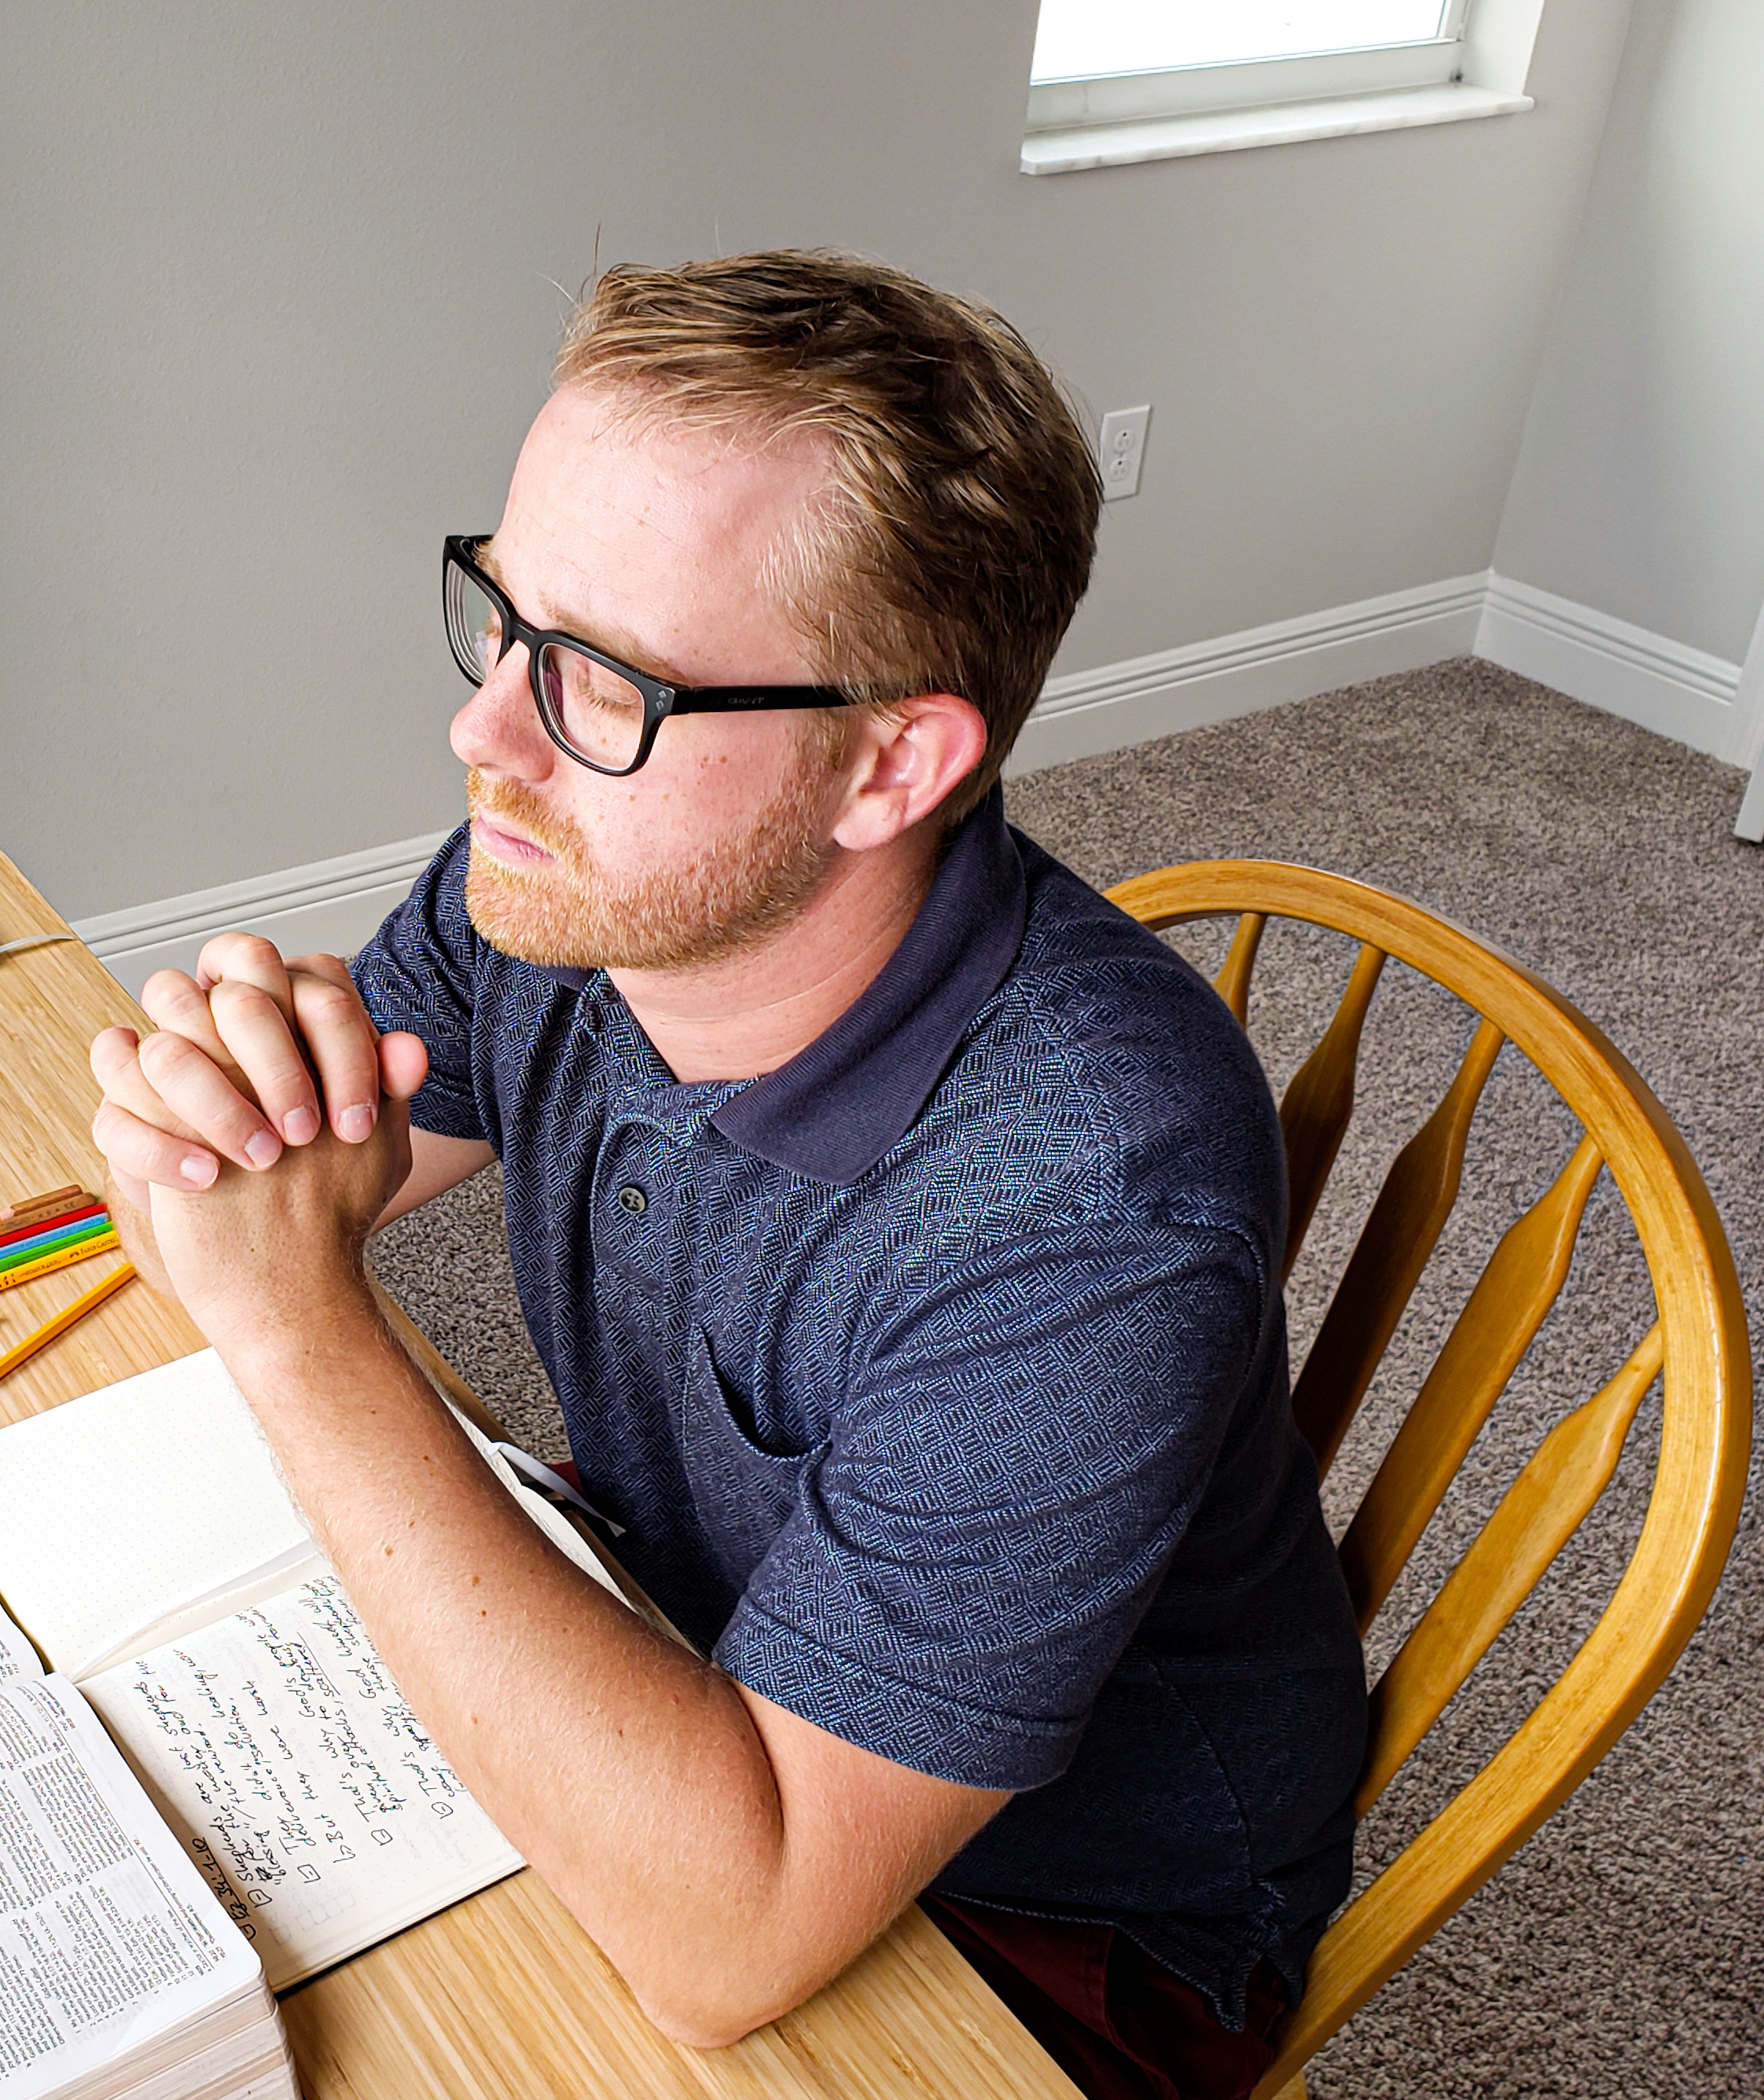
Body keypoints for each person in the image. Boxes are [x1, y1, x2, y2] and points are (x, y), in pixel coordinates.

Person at [87, 251, 1365, 2100]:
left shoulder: (1092, 1207)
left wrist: (296, 1325)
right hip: (684, 1631)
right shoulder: (563, 882)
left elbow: (725, 1940)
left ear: (889, 764)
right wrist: (223, 1106)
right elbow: (251, 1188)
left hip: (1045, 1919)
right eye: (503, 620)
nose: (486, 735)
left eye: (601, 676)